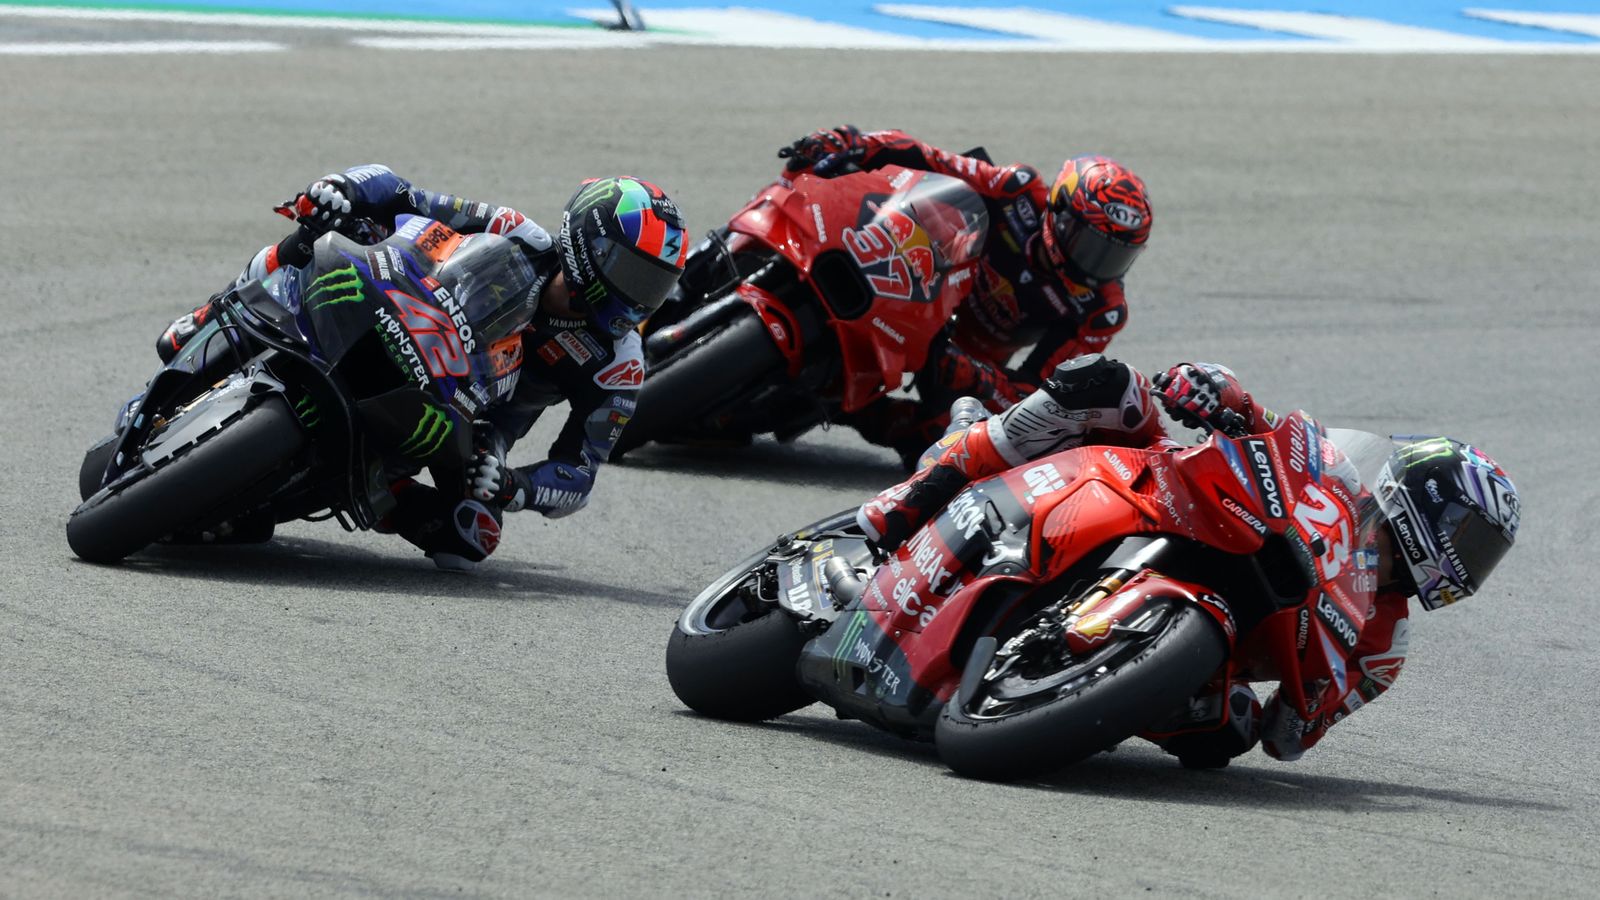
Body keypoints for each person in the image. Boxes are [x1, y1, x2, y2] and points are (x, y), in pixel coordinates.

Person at [855, 353, 1521, 766]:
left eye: (1481, 555)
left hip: (1222, 635)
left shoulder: (1387, 639)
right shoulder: (1337, 477)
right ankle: (922, 488)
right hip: (1168, 496)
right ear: (1425, 496)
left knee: (1224, 730)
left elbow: (1290, 737)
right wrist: (1214, 392)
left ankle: (1057, 683)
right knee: (1107, 383)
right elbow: (1267, 429)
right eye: (1468, 538)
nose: (1467, 562)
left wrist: (1311, 699)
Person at [156, 165, 687, 570]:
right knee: (320, 233)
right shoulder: (516, 233)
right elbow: (402, 194)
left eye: (655, 286)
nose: (641, 298)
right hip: (412, 319)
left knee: (472, 537)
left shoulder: (619, 363)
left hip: (476, 420)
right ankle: (215, 314)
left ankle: (374, 492)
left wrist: (513, 484)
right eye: (635, 275)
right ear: (588, 245)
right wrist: (342, 189)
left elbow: (580, 473)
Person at [746, 125, 1153, 467]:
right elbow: (928, 157)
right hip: (921, 282)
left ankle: (841, 408)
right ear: (1059, 210)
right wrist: (853, 142)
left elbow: (1044, 396)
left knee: (952, 439)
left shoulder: (1101, 311)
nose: (1096, 266)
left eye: (1117, 256)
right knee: (830, 178)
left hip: (961, 356)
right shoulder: (1018, 190)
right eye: (1090, 245)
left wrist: (980, 377)